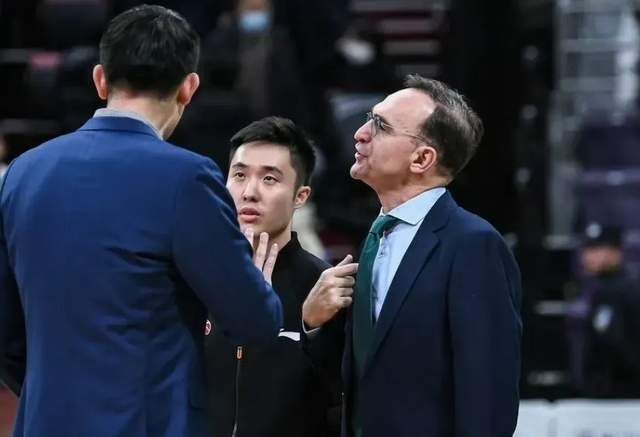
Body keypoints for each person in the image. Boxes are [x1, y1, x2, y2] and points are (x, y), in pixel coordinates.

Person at [0, 5, 283, 437]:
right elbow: (254, 322)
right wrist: (258, 286)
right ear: (189, 87)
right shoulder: (188, 178)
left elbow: (6, 333)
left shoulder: (23, 172)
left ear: (100, 79)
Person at [302, 74, 522, 437]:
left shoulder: (473, 245)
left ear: (422, 158)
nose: (360, 133)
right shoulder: (376, 237)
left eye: (380, 125)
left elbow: (488, 396)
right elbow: (364, 375)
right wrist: (314, 325)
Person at [205, 116, 354, 437]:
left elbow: (341, 401)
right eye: (239, 175)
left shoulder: (323, 287)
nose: (250, 192)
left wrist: (310, 328)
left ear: (301, 196)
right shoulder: (196, 276)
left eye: (270, 179)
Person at [568, 223, 640, 397]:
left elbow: (616, 344)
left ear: (617, 252)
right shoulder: (606, 289)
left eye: (597, 249)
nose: (588, 257)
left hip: (621, 394)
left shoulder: (619, 291)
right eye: (587, 250)